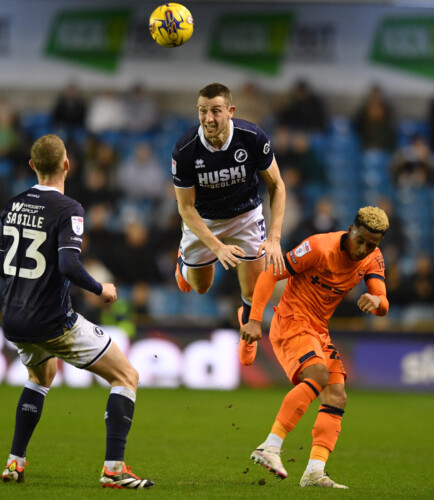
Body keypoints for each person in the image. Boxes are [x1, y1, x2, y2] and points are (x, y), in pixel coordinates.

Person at [0, 134, 153, 489]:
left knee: (41, 375)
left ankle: (14, 462)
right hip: (52, 321)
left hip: (14, 319)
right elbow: (68, 264)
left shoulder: (11, 206)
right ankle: (114, 469)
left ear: (32, 166)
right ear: (67, 165)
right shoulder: (69, 208)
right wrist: (101, 288)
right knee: (126, 376)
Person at [240, 206, 390, 489]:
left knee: (337, 395)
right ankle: (270, 446)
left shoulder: (373, 258)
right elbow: (270, 274)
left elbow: (383, 303)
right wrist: (254, 320)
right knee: (318, 375)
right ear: (351, 229)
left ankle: (314, 471)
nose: (363, 249)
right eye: (360, 241)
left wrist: (377, 301)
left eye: (371, 245)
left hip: (319, 330)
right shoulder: (319, 247)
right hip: (292, 321)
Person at [172, 82, 286, 365]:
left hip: (246, 216)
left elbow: (277, 186)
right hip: (204, 220)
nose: (208, 118)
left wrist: (274, 238)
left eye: (216, 111)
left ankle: (247, 330)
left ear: (230, 111)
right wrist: (218, 247)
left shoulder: (252, 137)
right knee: (201, 287)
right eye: (203, 111)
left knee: (251, 289)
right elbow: (185, 208)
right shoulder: (185, 149)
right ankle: (183, 264)